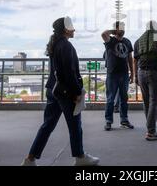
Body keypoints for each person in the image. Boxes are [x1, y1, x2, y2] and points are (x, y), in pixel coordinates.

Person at [22, 17, 99, 166]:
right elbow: (69, 73)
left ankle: (30, 159)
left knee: (47, 125)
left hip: (53, 90)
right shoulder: (66, 46)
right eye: (72, 27)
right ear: (66, 29)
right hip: (65, 93)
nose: (74, 29)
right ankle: (80, 157)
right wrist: (77, 92)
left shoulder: (54, 45)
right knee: (75, 125)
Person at [133, 21, 157, 141]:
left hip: (141, 72)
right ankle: (151, 132)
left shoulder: (138, 40)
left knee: (146, 101)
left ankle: (150, 128)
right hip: (154, 72)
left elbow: (135, 61)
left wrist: (136, 76)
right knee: (154, 101)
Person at [102, 21, 134, 131]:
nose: (123, 29)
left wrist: (132, 74)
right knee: (110, 99)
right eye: (121, 28)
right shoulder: (110, 40)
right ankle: (108, 121)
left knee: (124, 98)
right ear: (116, 29)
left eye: (124, 27)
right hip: (112, 74)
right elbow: (103, 34)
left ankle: (124, 120)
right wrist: (113, 31)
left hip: (124, 74)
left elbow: (130, 58)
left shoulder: (127, 42)